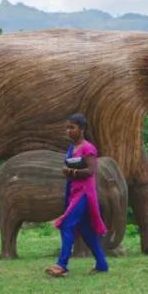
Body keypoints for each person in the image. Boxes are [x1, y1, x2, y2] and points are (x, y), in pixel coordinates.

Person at [45, 114, 110, 277]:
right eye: (67, 127)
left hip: (84, 193)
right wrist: (67, 172)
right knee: (87, 231)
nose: (68, 131)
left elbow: (91, 171)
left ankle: (62, 265)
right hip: (73, 192)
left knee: (67, 225)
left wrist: (72, 171)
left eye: (72, 127)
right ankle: (102, 265)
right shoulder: (71, 148)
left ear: (82, 130)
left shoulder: (88, 148)